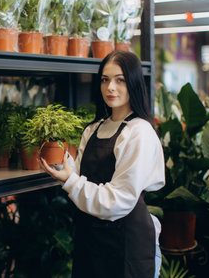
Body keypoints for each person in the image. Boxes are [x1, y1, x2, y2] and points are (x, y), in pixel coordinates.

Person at [40, 50, 165, 278]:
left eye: (120, 80)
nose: (110, 88)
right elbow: (77, 175)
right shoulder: (93, 129)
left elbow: (119, 200)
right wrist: (59, 162)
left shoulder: (139, 132)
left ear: (134, 84)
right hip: (92, 239)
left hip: (127, 244)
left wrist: (71, 181)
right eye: (105, 80)